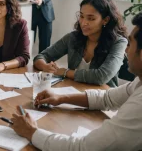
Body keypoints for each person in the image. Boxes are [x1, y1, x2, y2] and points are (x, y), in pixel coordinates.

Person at [11, 12, 142, 151]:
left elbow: (83, 147)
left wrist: (31, 132)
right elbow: (106, 98)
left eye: (131, 43)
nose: (127, 50)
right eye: (81, 16)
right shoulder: (138, 83)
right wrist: (61, 98)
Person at [33, 0, 127, 87]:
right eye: (81, 16)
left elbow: (101, 76)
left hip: (103, 98)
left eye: (91, 18)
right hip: (73, 93)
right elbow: (41, 56)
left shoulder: (119, 43)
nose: (83, 23)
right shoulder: (73, 37)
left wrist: (66, 72)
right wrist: (45, 67)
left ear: (105, 20)